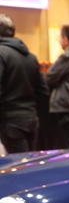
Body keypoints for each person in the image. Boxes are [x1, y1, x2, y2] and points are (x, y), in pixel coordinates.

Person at [0, 13, 47, 153]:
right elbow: (43, 91)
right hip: (31, 118)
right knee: (29, 160)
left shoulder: (1, 53)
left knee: (19, 162)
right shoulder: (31, 57)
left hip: (10, 119)